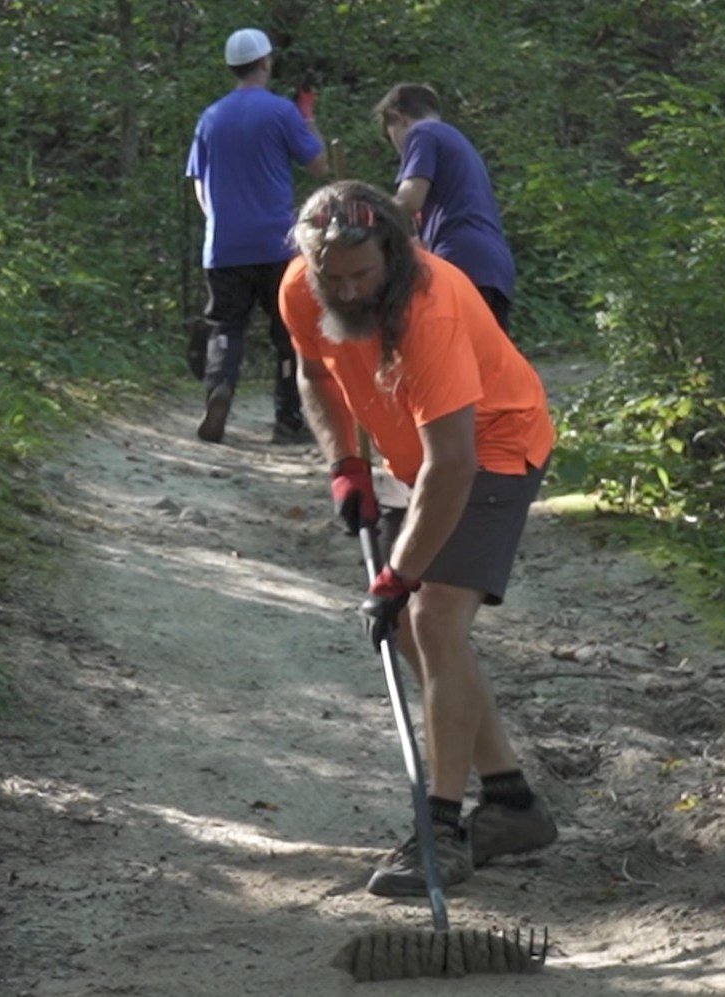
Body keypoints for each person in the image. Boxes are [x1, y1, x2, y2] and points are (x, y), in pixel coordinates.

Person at [278, 179, 558, 897]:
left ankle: (439, 826)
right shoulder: (303, 287)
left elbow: (455, 462)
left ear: (394, 255)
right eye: (331, 277)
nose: (345, 291)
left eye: (362, 275)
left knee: (429, 615)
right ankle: (511, 803)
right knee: (414, 628)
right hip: (422, 457)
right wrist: (344, 462)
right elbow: (314, 371)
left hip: (494, 444)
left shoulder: (427, 308)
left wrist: (397, 575)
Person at [185, 27, 328, 444]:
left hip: (224, 244)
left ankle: (219, 390)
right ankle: (288, 420)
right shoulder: (281, 112)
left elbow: (198, 183)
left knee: (226, 325)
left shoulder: (210, 117)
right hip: (276, 242)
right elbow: (318, 165)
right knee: (288, 331)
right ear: (265, 62)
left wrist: (219, 220)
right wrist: (307, 116)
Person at [374, 83, 516, 333]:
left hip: (462, 260)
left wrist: (367, 215)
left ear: (397, 118)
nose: (398, 150)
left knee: (458, 356)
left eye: (391, 135)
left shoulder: (423, 133)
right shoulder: (455, 140)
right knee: (487, 362)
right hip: (491, 265)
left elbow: (409, 201)